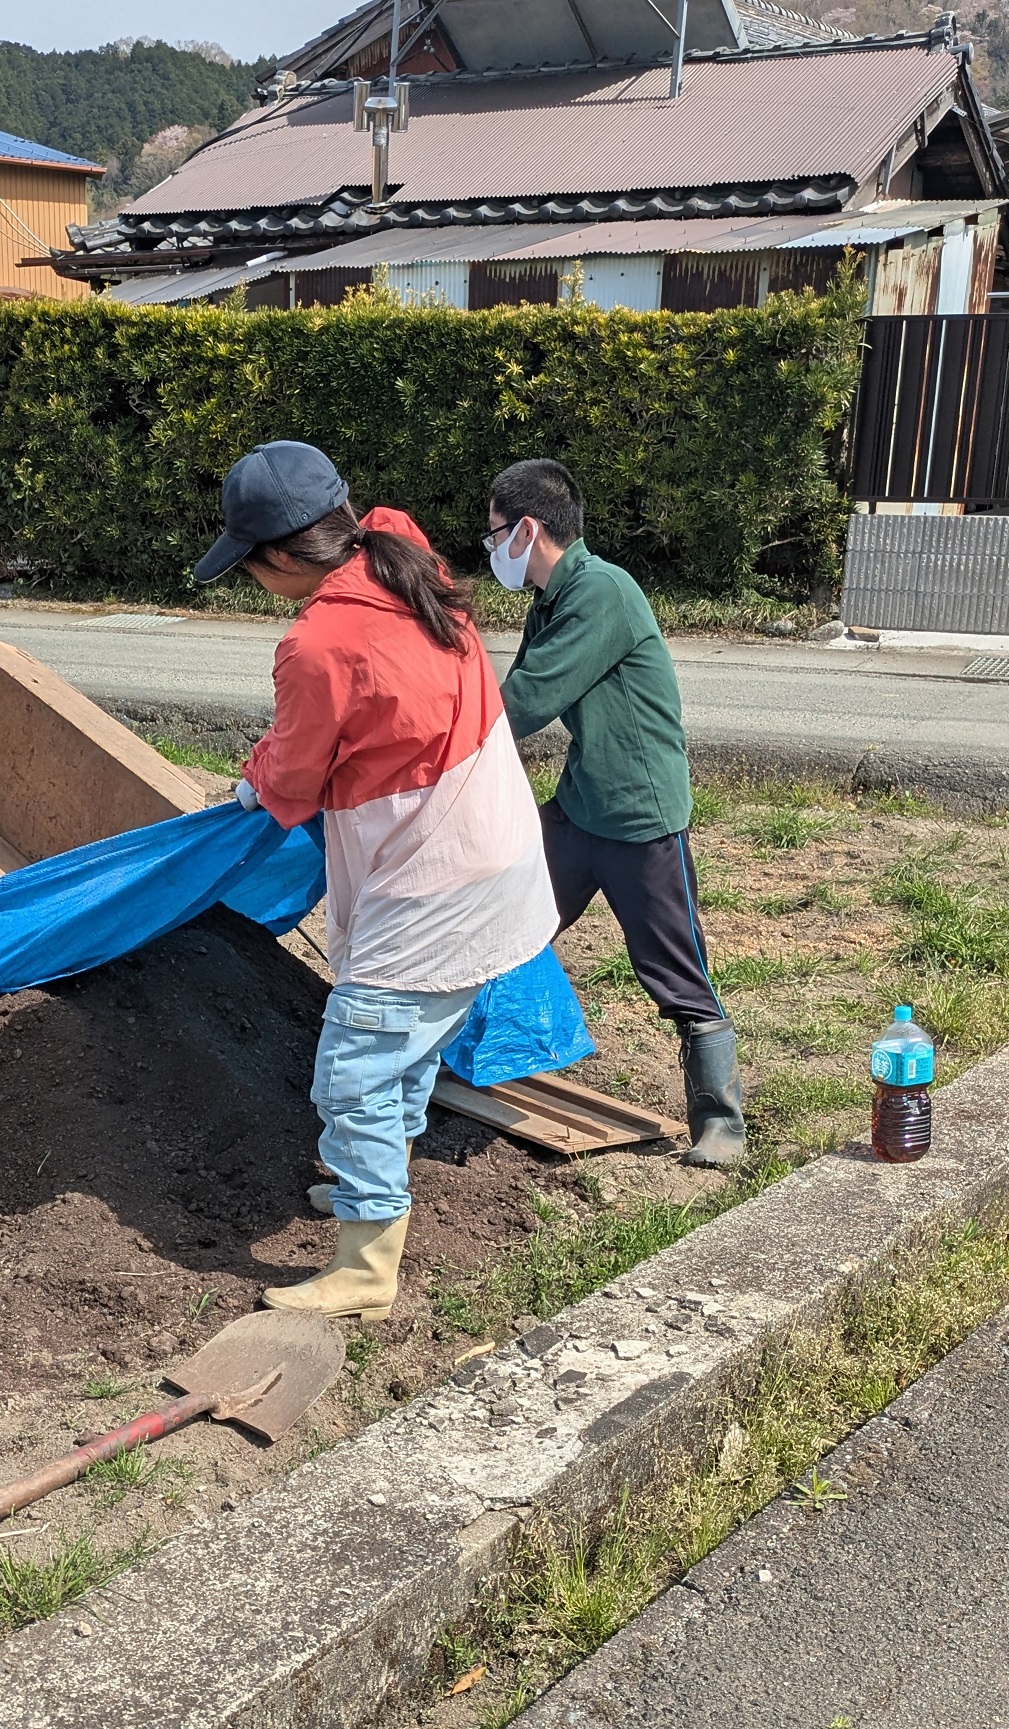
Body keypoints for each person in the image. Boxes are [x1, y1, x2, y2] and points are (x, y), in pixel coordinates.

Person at [194, 441, 560, 1321]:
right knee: (407, 1046)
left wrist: (252, 775)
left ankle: (365, 1266)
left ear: (282, 556)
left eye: (248, 563)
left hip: (438, 879)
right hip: (498, 849)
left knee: (354, 1066)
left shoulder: (318, 643)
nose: (250, 578)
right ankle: (375, 1190)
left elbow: (289, 784)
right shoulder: (396, 545)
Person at [488, 458, 746, 1170]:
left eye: (495, 536)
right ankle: (469, 1059)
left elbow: (522, 704)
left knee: (673, 968)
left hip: (638, 814)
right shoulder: (553, 597)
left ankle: (721, 1121)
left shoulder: (601, 592)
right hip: (581, 804)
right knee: (503, 913)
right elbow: (508, 697)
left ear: (529, 529)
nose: (491, 551)